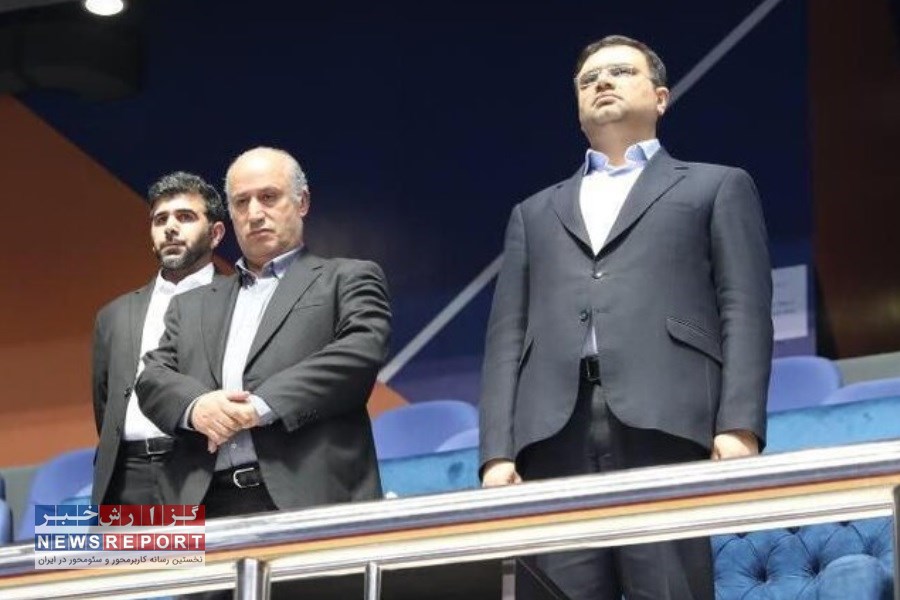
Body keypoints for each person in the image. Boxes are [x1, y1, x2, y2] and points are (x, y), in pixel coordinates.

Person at [479, 35, 773, 600]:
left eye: (620, 72)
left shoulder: (717, 185)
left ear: (660, 98)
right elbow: (506, 337)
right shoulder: (532, 212)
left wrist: (739, 424)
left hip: (665, 419)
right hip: (552, 435)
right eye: (588, 80)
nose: (602, 83)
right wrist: (497, 452)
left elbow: (744, 308)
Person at [136, 146, 391, 518]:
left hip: (310, 496)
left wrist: (258, 407)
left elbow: (360, 352)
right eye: (241, 202)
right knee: (78, 541)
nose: (254, 213)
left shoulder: (346, 278)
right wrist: (197, 408)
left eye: (268, 197)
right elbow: (152, 378)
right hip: (200, 505)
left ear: (302, 202)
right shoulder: (191, 305)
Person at [92, 172, 227, 505]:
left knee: (199, 546)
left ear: (215, 234)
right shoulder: (114, 315)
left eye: (185, 217)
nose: (170, 228)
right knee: (64, 532)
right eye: (160, 219)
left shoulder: (242, 298)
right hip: (128, 477)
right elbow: (105, 405)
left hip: (211, 470)